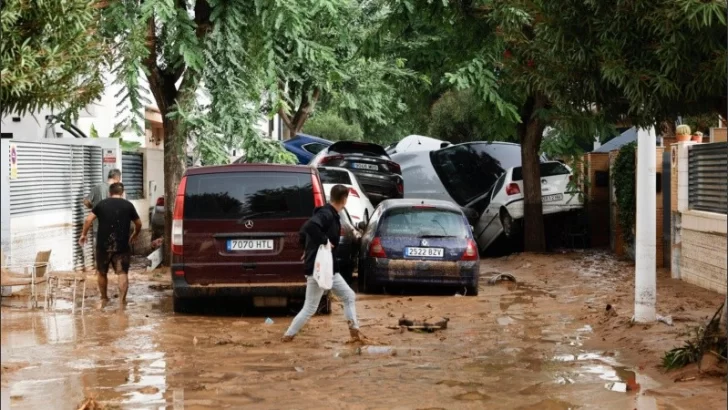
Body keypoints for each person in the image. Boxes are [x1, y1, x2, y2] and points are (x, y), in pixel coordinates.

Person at [282, 185, 364, 342]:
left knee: (348, 296)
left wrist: (307, 248)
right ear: (344, 199)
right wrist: (324, 240)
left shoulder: (330, 214)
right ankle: (288, 336)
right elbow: (309, 226)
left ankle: (355, 333)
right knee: (310, 307)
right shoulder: (327, 214)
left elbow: (303, 232)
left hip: (329, 269)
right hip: (319, 268)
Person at [79, 182, 141, 304]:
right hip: (122, 245)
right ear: (122, 193)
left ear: (109, 192)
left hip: (103, 245)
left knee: (102, 272)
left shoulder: (102, 204)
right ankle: (122, 302)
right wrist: (135, 234)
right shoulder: (128, 205)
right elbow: (138, 223)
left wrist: (83, 234)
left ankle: (104, 298)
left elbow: (88, 220)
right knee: (122, 272)